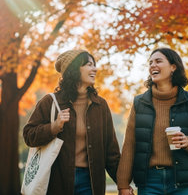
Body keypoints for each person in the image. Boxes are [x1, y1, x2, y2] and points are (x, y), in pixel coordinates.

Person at [117, 48, 188, 195]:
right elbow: (129, 145)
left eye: (158, 61)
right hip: (149, 182)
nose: (152, 65)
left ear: (173, 67)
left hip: (183, 183)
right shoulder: (140, 103)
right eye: (150, 62)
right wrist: (123, 185)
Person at [23, 49, 121, 195]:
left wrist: (122, 184)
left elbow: (111, 152)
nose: (94, 68)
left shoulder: (100, 105)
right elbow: (28, 135)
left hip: (90, 182)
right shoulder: (50, 102)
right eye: (88, 64)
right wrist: (53, 128)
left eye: (94, 65)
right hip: (57, 181)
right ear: (74, 69)